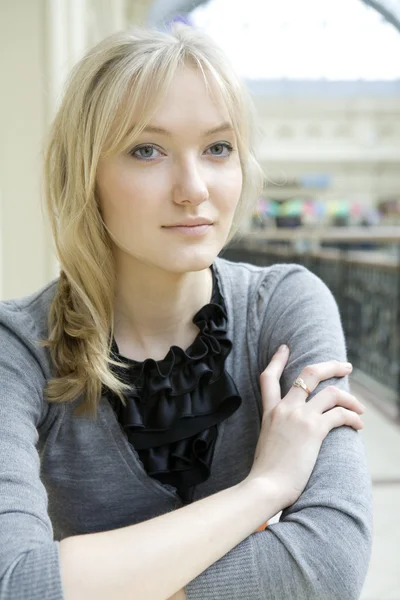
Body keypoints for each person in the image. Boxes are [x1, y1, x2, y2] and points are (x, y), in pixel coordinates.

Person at [0, 24, 372, 600]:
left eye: (218, 148)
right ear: (86, 174)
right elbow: (16, 582)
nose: (193, 188)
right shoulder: (18, 348)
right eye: (147, 150)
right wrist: (265, 487)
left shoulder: (286, 304)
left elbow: (329, 565)